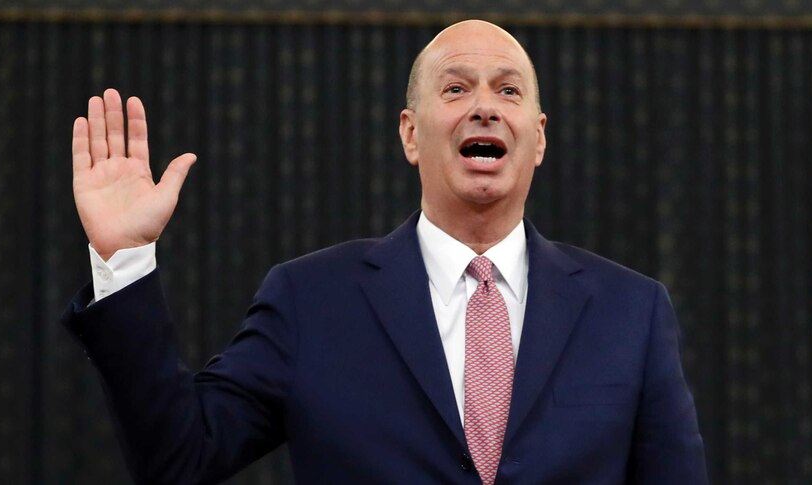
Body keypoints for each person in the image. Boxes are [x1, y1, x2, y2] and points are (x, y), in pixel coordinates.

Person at [63, 19, 708, 484]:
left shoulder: (632, 311)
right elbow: (180, 458)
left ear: (537, 138)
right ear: (409, 132)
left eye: (508, 91)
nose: (484, 106)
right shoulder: (312, 301)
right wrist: (124, 263)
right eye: (455, 89)